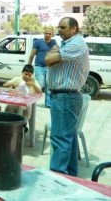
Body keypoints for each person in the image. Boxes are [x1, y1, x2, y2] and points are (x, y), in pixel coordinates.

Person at [45, 17, 89, 176]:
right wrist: (54, 52)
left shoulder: (76, 44)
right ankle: (69, 176)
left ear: (74, 29)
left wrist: (53, 54)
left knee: (60, 139)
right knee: (68, 138)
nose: (59, 30)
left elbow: (47, 59)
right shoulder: (67, 44)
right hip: (64, 97)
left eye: (63, 27)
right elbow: (50, 59)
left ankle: (57, 178)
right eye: (59, 27)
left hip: (65, 97)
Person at [29, 27, 57, 107]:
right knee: (40, 84)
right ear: (44, 33)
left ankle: (48, 104)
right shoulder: (38, 42)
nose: (47, 35)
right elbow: (32, 54)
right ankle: (31, 100)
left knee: (49, 86)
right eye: (46, 33)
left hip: (50, 68)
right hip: (39, 67)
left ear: (52, 35)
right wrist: (29, 65)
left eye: (49, 33)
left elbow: (56, 53)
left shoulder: (54, 42)